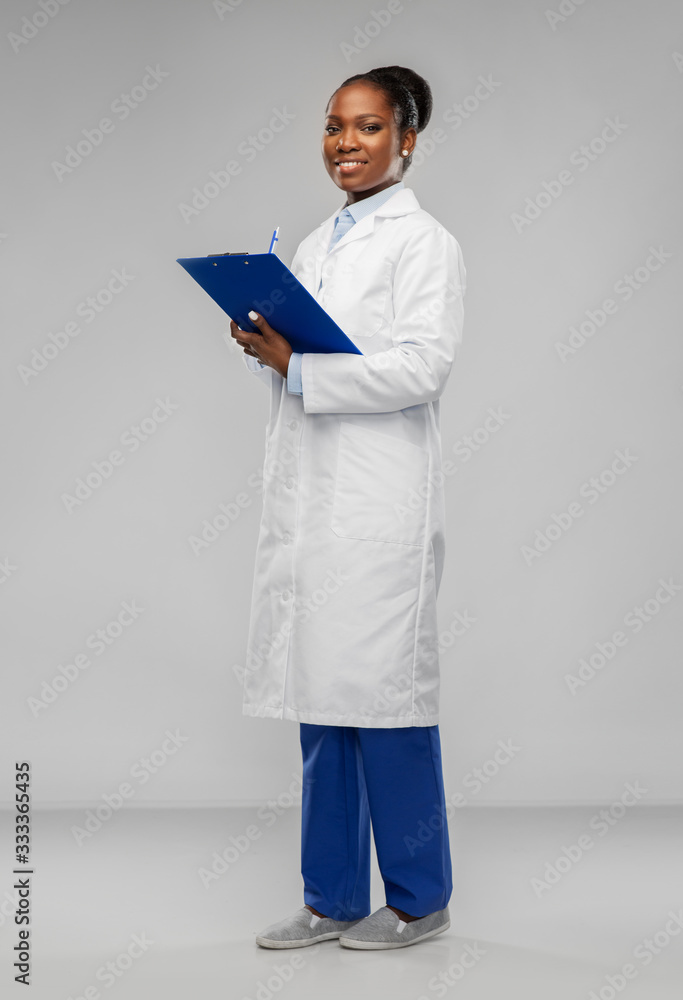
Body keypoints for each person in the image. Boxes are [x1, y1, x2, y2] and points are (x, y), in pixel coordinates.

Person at [229, 65, 466, 951]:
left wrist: (302, 367)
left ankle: (418, 899)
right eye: (334, 126)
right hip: (315, 500)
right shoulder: (318, 242)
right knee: (322, 703)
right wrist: (265, 345)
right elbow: (310, 360)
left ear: (407, 140)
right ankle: (330, 898)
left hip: (379, 505)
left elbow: (421, 366)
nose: (345, 144)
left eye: (367, 128)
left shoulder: (424, 243)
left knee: (388, 707)